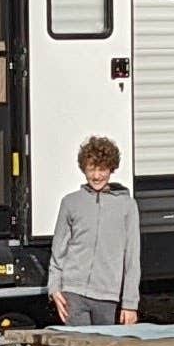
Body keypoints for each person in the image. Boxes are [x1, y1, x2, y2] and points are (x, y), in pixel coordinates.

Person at [46, 134, 138, 328]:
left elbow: (132, 257)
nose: (96, 176)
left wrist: (130, 303)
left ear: (111, 169)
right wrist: (54, 288)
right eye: (91, 169)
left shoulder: (127, 205)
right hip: (73, 293)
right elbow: (58, 251)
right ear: (83, 169)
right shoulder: (70, 202)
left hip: (107, 296)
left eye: (102, 169)